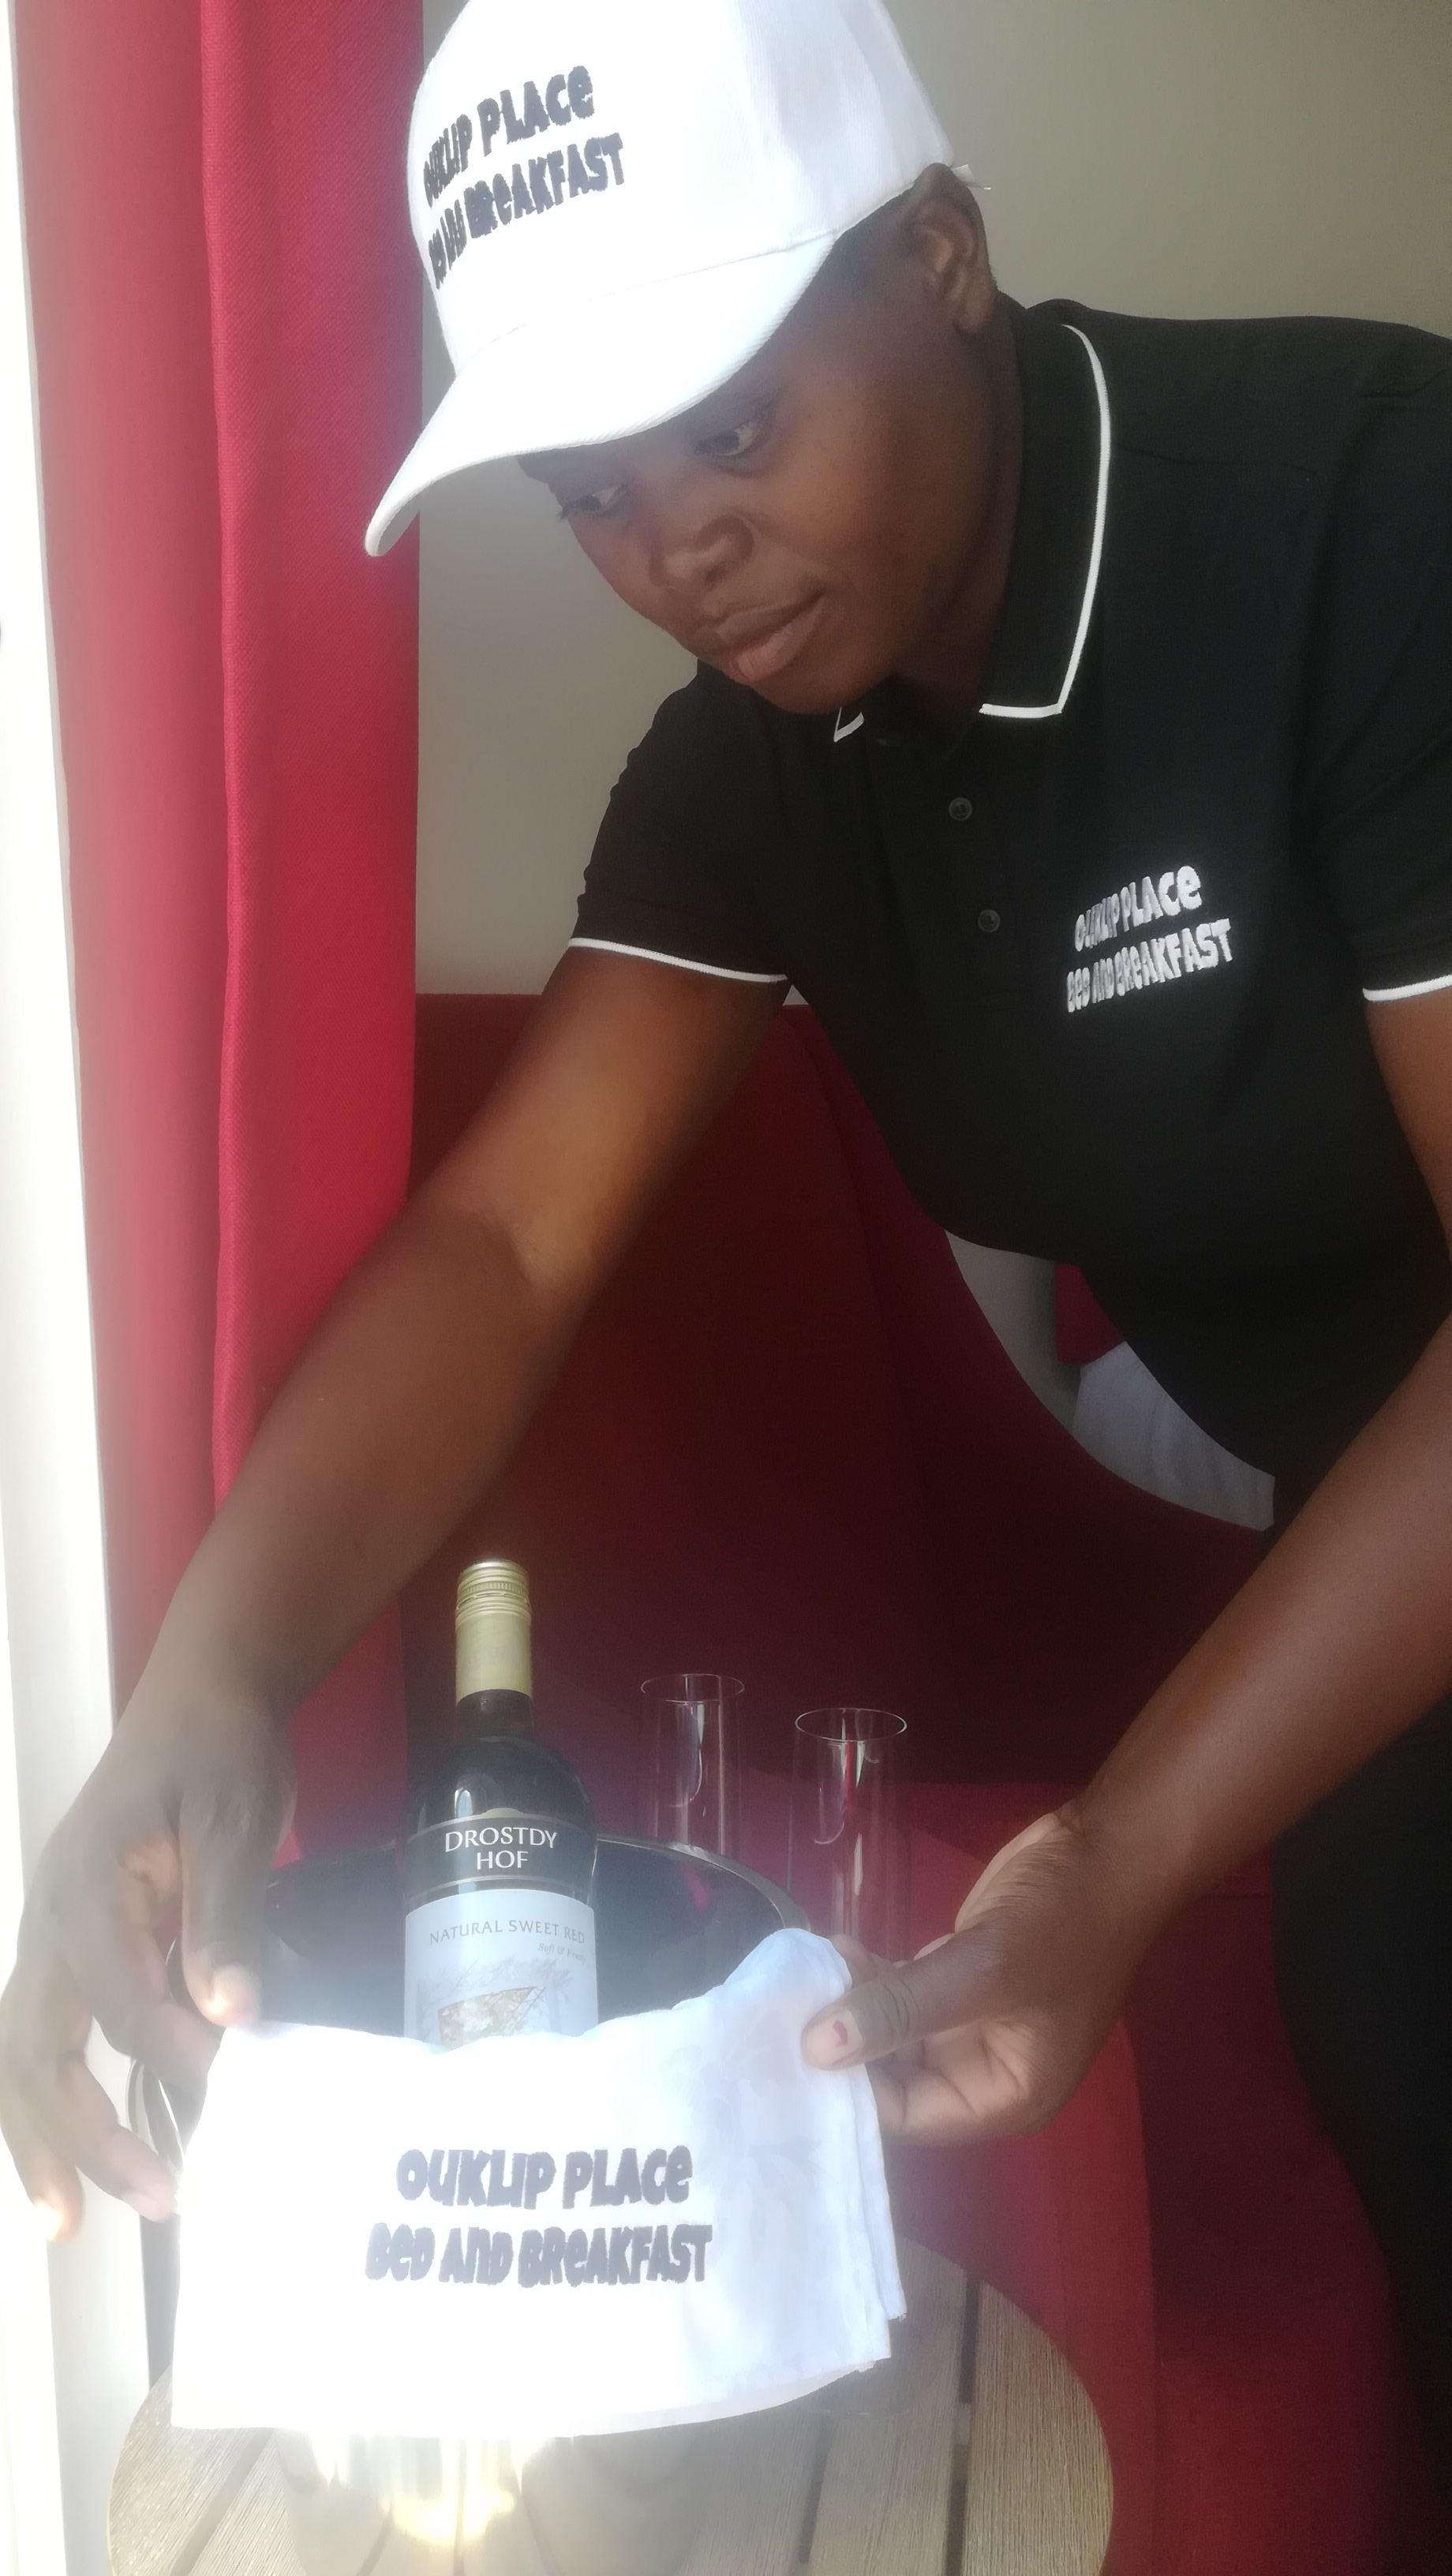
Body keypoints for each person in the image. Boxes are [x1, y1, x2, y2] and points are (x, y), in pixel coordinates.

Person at [6, 0, 1452, 2473]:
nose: (671, 543)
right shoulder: (762, 769)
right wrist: (201, 1688)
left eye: (736, 425)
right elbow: (505, 1250)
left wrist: (1113, 1856)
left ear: (941, 251)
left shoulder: (1361, 515)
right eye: (591, 482)